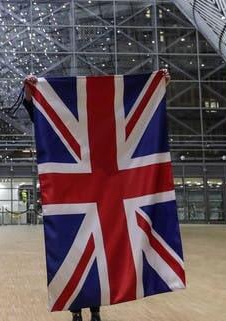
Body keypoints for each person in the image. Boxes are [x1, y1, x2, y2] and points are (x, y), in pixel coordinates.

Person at [22, 70, 171, 321]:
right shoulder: (56, 123)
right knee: (74, 247)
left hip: (99, 192)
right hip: (70, 196)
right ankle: (77, 310)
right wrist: (30, 93)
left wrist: (159, 86)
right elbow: (39, 115)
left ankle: (95, 310)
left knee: (99, 252)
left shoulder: (103, 127)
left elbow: (136, 114)